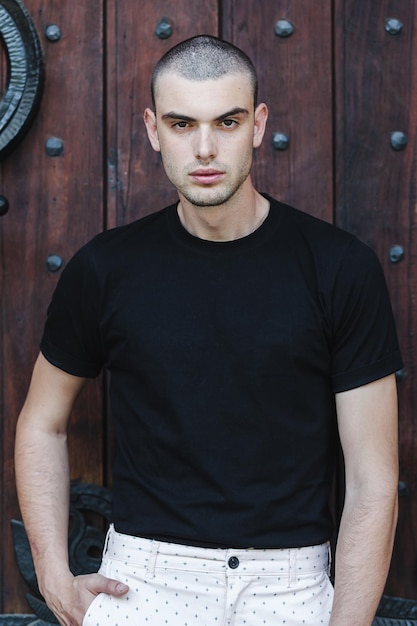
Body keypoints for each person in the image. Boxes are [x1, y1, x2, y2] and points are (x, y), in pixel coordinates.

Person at [15, 35, 402, 626]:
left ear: (258, 124)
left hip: (291, 590)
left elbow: (373, 479)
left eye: (227, 121)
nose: (204, 147)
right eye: (180, 123)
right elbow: (42, 421)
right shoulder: (106, 268)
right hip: (143, 584)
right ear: (152, 129)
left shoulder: (339, 267)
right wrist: (52, 578)